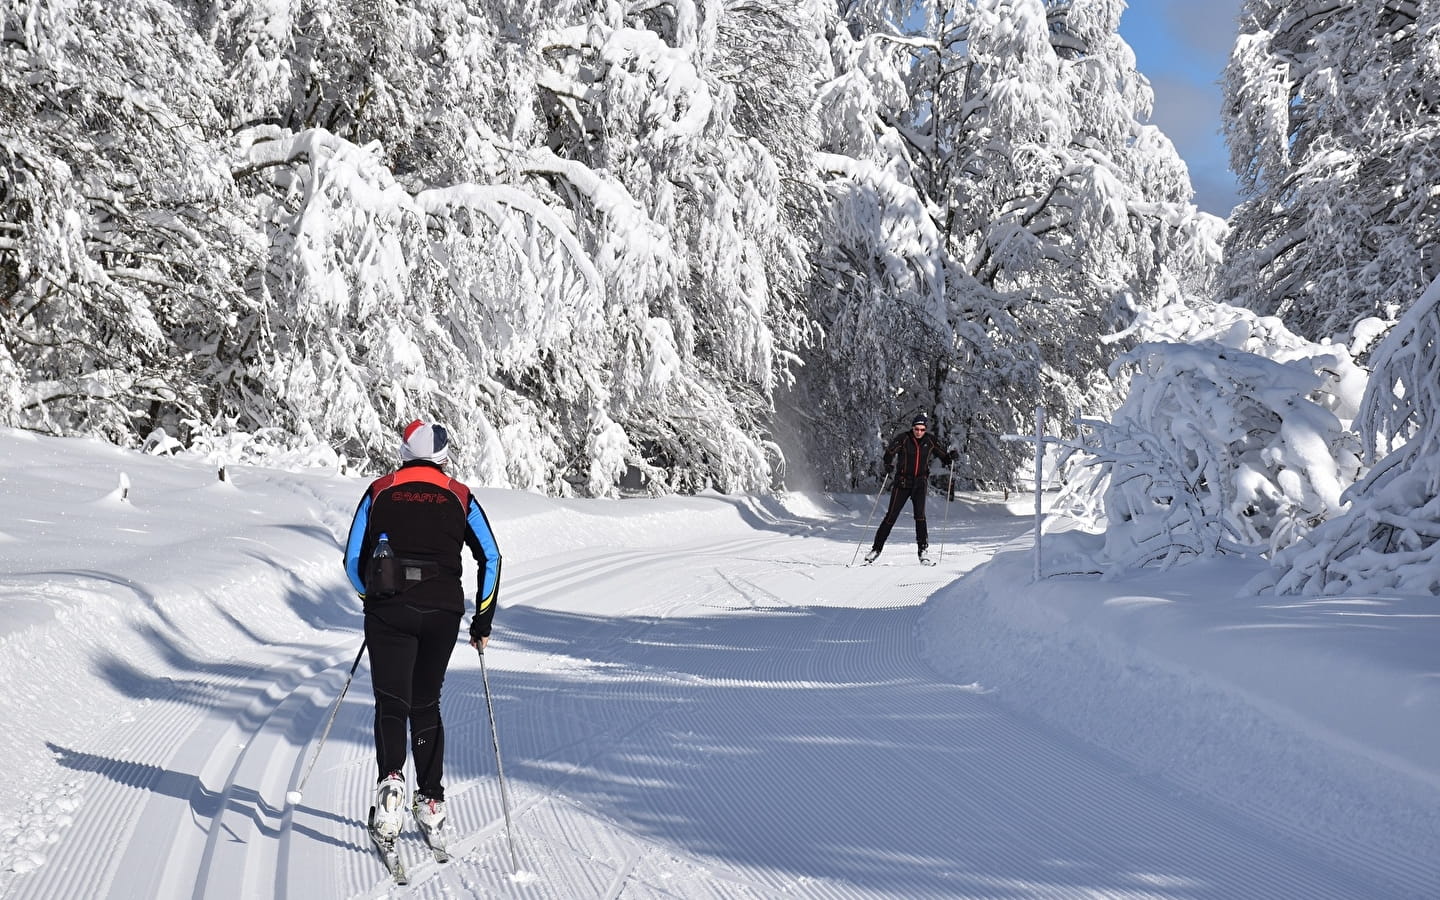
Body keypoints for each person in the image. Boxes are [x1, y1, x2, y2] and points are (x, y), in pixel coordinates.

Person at [343, 419, 502, 846]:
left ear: (403, 451)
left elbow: (351, 559)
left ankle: (391, 790)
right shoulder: (459, 495)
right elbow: (492, 556)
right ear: (442, 456)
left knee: (391, 703)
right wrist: (481, 621)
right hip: (442, 613)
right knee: (426, 704)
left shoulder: (380, 489)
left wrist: (370, 596)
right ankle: (431, 802)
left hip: (389, 609)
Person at [865, 414, 954, 565]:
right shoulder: (903, 438)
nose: (919, 432)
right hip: (902, 483)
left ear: (925, 429)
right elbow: (889, 453)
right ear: (912, 427)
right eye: (916, 429)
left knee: (920, 516)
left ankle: (923, 551)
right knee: (891, 516)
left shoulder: (930, 440)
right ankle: (876, 549)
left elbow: (944, 457)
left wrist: (951, 457)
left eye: (922, 429)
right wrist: (888, 463)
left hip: (920, 484)